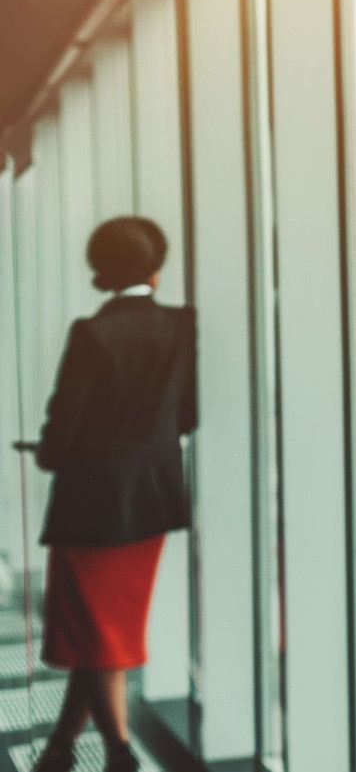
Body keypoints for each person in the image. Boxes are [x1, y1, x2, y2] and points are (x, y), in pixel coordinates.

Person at [28, 216, 196, 772]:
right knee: (101, 633)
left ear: (101, 267)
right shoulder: (181, 325)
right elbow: (187, 414)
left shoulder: (91, 332)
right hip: (148, 501)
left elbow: (64, 426)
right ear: (157, 264)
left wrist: (47, 452)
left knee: (96, 633)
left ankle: (120, 755)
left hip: (91, 506)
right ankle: (61, 747)